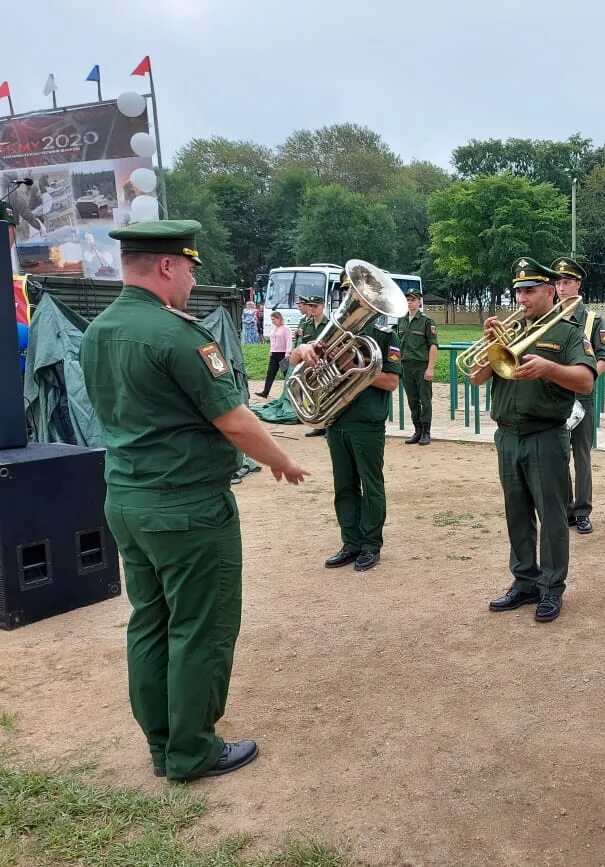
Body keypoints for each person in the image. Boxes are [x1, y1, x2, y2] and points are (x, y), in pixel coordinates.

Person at [79, 219, 309, 781]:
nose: (191, 280)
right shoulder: (179, 335)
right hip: (187, 508)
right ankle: (192, 751)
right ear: (166, 265)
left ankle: (162, 745)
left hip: (127, 500)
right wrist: (281, 460)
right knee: (200, 626)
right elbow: (234, 419)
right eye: (188, 268)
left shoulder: (98, 330)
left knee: (150, 621)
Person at [472, 257, 596, 623]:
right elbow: (477, 377)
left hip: (545, 435)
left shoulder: (569, 332)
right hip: (507, 435)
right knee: (517, 513)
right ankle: (524, 581)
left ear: (550, 291)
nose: (522, 298)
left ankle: (551, 587)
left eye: (529, 290)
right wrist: (490, 343)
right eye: (518, 291)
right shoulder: (509, 331)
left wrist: (549, 368)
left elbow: (586, 381)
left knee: (552, 516)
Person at [289, 295, 402, 572]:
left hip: (366, 423)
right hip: (336, 420)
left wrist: (354, 366)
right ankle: (351, 542)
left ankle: (371, 545)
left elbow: (391, 382)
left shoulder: (384, 335)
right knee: (343, 486)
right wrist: (303, 350)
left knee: (371, 486)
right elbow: (293, 363)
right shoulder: (329, 333)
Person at [552, 256, 605, 534]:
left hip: (581, 397)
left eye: (567, 282)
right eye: (558, 282)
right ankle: (565, 509)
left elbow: (603, 358)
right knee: (558, 453)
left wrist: (586, 378)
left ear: (578, 284)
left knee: (581, 455)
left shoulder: (592, 320)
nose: (561, 288)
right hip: (554, 395)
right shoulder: (549, 318)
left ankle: (583, 510)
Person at [395, 285, 438, 445]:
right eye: (407, 299)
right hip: (406, 366)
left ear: (419, 302)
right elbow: (398, 344)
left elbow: (433, 345)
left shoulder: (427, 322)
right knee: (412, 400)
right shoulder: (401, 320)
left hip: (421, 366)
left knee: (425, 400)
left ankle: (426, 432)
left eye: (413, 300)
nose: (409, 302)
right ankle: (417, 430)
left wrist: (430, 368)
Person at [296, 293, 329, 437]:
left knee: (328, 394)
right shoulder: (306, 324)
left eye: (315, 306)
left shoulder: (329, 324)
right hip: (311, 365)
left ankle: (329, 426)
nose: (312, 308)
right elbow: (302, 345)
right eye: (310, 306)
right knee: (312, 394)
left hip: (326, 364)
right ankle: (318, 425)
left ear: (322, 306)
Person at [256, 310, 290, 398]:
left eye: (274, 319)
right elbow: (272, 341)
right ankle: (265, 392)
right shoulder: (274, 328)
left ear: (279, 319)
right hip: (274, 354)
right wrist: (271, 350)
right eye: (271, 320)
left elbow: (288, 341)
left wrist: (288, 353)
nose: (272, 321)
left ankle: (290, 392)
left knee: (286, 373)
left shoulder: (286, 328)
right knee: (270, 373)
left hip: (283, 354)